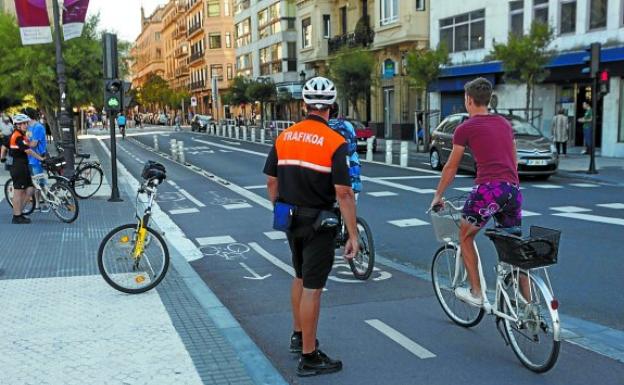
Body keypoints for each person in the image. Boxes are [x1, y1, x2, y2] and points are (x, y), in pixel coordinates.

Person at [263, 76, 359, 377]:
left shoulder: (285, 137)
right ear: (332, 107)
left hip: (291, 219)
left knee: (300, 276)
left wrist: (281, 206)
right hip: (320, 223)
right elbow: (344, 192)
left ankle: (297, 334)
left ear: (303, 105)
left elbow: (271, 181)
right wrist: (353, 234)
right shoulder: (335, 142)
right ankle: (309, 355)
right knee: (314, 289)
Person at [430, 77, 522, 307]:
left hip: (489, 190)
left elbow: (451, 166)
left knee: (465, 235)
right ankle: (527, 306)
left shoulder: (465, 128)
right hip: (512, 190)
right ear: (488, 100)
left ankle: (477, 293)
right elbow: (514, 159)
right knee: (513, 249)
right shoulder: (504, 124)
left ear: (468, 100)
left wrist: (438, 195)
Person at [7, 113, 45, 224]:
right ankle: (16, 216)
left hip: (23, 165)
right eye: (23, 123)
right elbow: (28, 150)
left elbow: (30, 144)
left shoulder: (21, 135)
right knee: (18, 192)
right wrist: (40, 158)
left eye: (26, 123)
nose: (25, 125)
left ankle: (20, 212)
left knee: (30, 189)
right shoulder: (17, 136)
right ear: (17, 125)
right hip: (18, 166)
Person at [328, 105, 362, 194]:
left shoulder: (321, 126)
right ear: (337, 112)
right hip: (351, 173)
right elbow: (354, 144)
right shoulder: (347, 125)